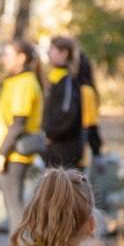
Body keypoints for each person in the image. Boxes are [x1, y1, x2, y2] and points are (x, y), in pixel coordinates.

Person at [0, 39, 44, 233]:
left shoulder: (25, 83)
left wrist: (1, 154)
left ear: (21, 58)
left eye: (7, 55)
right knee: (12, 205)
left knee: (15, 206)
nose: (3, 59)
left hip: (15, 153)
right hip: (9, 152)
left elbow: (19, 123)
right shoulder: (16, 82)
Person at [42, 36, 85, 169]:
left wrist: (50, 134)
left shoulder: (67, 82)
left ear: (64, 53)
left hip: (64, 150)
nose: (48, 53)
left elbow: (66, 114)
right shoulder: (54, 78)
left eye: (52, 49)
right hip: (53, 149)